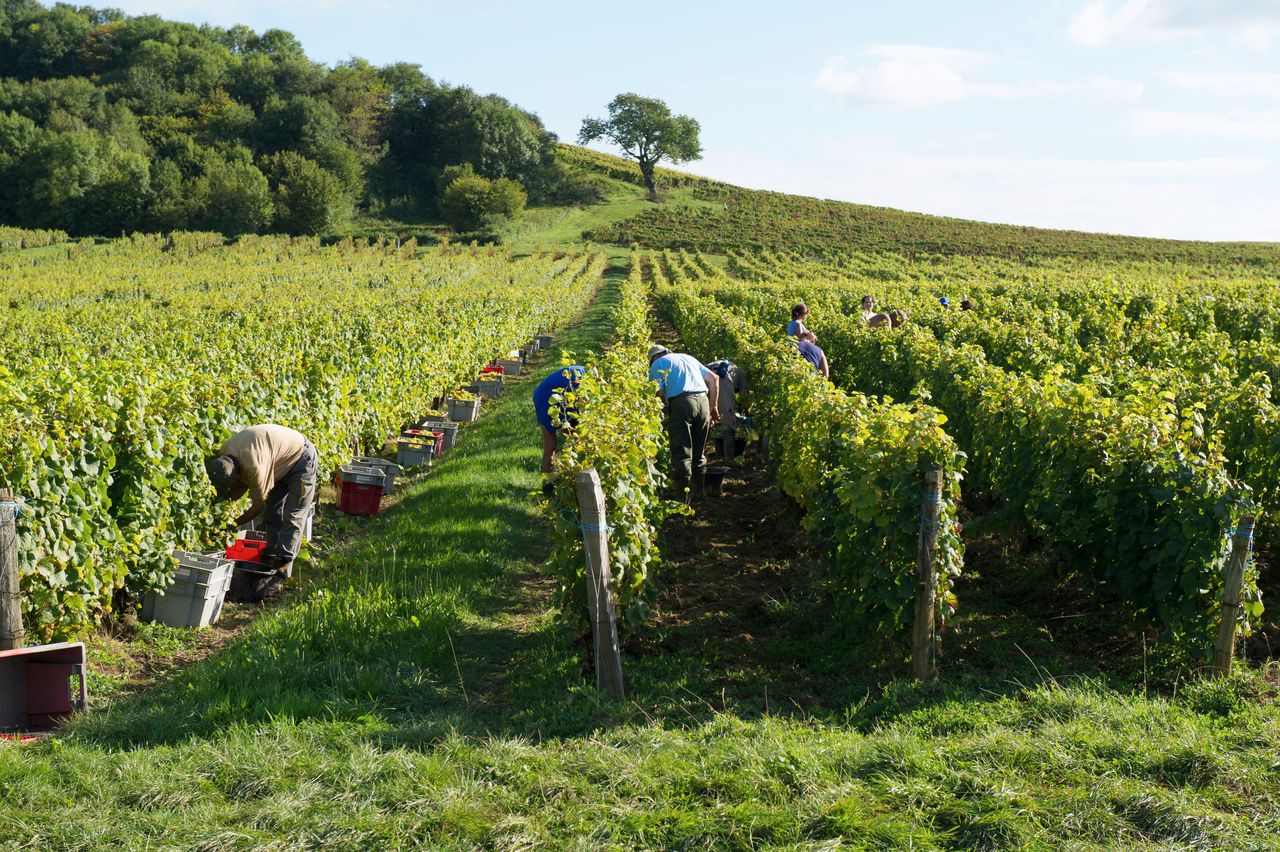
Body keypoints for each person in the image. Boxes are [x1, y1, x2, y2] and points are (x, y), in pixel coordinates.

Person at [206, 424, 316, 600]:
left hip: (301, 458)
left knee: (293, 515)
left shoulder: (254, 467)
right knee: (273, 511)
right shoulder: (226, 451)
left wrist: (231, 525)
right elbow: (238, 488)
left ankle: (280, 573)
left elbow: (258, 506)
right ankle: (268, 560)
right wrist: (216, 517)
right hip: (278, 461)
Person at [648, 345, 720, 498]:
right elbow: (714, 379)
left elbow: (658, 392)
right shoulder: (689, 358)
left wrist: (665, 410)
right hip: (703, 401)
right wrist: (713, 406)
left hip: (682, 403)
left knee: (682, 450)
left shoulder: (657, 364)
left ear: (653, 357)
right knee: (699, 450)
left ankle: (683, 496)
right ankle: (699, 492)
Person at [533, 365, 586, 490]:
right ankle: (547, 486)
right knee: (550, 444)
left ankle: (566, 480)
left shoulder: (586, 377)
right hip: (546, 397)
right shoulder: (588, 383)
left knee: (573, 439)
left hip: (562, 396)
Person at [703, 357, 747, 464]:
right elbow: (744, 394)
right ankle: (729, 459)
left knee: (704, 418)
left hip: (704, 374)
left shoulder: (729, 367)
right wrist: (743, 411)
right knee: (728, 421)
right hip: (721, 378)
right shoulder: (741, 373)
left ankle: (698, 457)